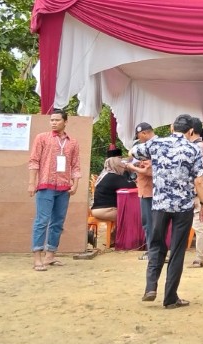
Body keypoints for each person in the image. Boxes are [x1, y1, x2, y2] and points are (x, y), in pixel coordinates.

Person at [132, 114, 203, 309]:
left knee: (156, 244)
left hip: (159, 204)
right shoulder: (194, 149)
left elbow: (134, 150)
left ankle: (150, 286)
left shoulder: (157, 144)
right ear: (191, 131)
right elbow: (199, 180)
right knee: (177, 251)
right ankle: (170, 297)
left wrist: (150, 161)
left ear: (172, 128)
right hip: (182, 207)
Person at [27, 109, 82, 271]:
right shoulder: (42, 138)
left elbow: (76, 165)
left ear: (65, 122)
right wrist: (32, 183)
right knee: (42, 221)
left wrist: (75, 183)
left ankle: (50, 255)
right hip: (46, 185)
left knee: (58, 222)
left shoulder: (72, 142)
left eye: (57, 120)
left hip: (64, 187)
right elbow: (34, 161)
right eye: (51, 120)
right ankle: (37, 256)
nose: (53, 122)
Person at [124, 122, 156, 260]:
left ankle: (153, 252)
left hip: (149, 191)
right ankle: (154, 251)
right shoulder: (158, 145)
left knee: (149, 222)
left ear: (144, 133)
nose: (138, 140)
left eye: (138, 136)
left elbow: (150, 171)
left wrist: (132, 167)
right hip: (149, 190)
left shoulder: (151, 147)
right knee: (151, 222)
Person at [188, 118, 203, 268]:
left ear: (190, 130)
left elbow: (198, 174)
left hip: (196, 190)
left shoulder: (198, 147)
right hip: (193, 189)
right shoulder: (195, 145)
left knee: (198, 224)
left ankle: (199, 257)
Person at [91, 155, 136, 222]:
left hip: (97, 209)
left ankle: (115, 232)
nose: (123, 167)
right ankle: (125, 232)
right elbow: (131, 186)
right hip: (106, 210)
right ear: (117, 165)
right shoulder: (113, 176)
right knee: (134, 216)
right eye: (121, 165)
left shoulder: (106, 175)